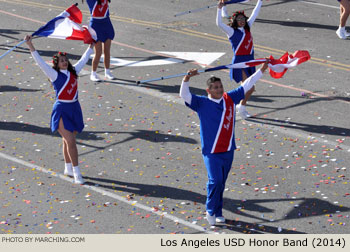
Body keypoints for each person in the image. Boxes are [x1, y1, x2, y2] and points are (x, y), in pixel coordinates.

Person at [179, 60, 269, 226]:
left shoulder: (229, 98)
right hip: (211, 152)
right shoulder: (201, 103)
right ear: (208, 90)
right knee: (215, 181)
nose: (219, 90)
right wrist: (186, 79)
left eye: (220, 87)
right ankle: (210, 209)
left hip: (228, 150)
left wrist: (262, 70)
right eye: (215, 88)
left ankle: (218, 211)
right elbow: (184, 95)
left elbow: (248, 84)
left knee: (222, 182)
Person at [24, 35, 95, 184]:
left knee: (67, 140)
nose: (64, 62)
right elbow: (40, 63)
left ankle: (68, 167)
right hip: (62, 108)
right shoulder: (54, 75)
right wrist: (30, 45)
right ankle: (77, 172)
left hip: (74, 108)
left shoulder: (74, 72)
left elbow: (83, 59)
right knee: (71, 141)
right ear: (57, 64)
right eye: (61, 61)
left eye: (65, 60)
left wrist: (90, 47)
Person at [216, 0, 262, 119]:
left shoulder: (248, 27)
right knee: (249, 87)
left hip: (250, 60)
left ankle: (234, 103)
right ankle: (241, 107)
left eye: (243, 19)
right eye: (239, 19)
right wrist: (219, 9)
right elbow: (219, 24)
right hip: (240, 62)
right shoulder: (231, 32)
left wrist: (260, 1)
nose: (242, 21)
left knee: (249, 89)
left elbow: (255, 13)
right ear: (234, 21)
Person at [82, 0, 116, 81]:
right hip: (96, 25)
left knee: (107, 51)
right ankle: (93, 73)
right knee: (98, 52)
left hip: (106, 23)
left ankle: (107, 72)